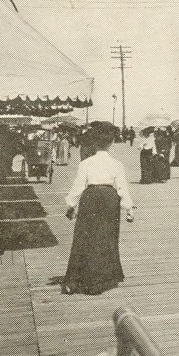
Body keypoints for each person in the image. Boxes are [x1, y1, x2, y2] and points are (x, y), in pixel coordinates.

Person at [62, 122, 134, 295]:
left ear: (94, 143)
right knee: (106, 235)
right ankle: (104, 277)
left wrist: (71, 205)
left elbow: (78, 186)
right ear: (110, 144)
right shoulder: (117, 164)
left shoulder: (86, 163)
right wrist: (129, 208)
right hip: (110, 199)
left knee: (85, 236)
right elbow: (122, 187)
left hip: (91, 197)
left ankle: (79, 278)